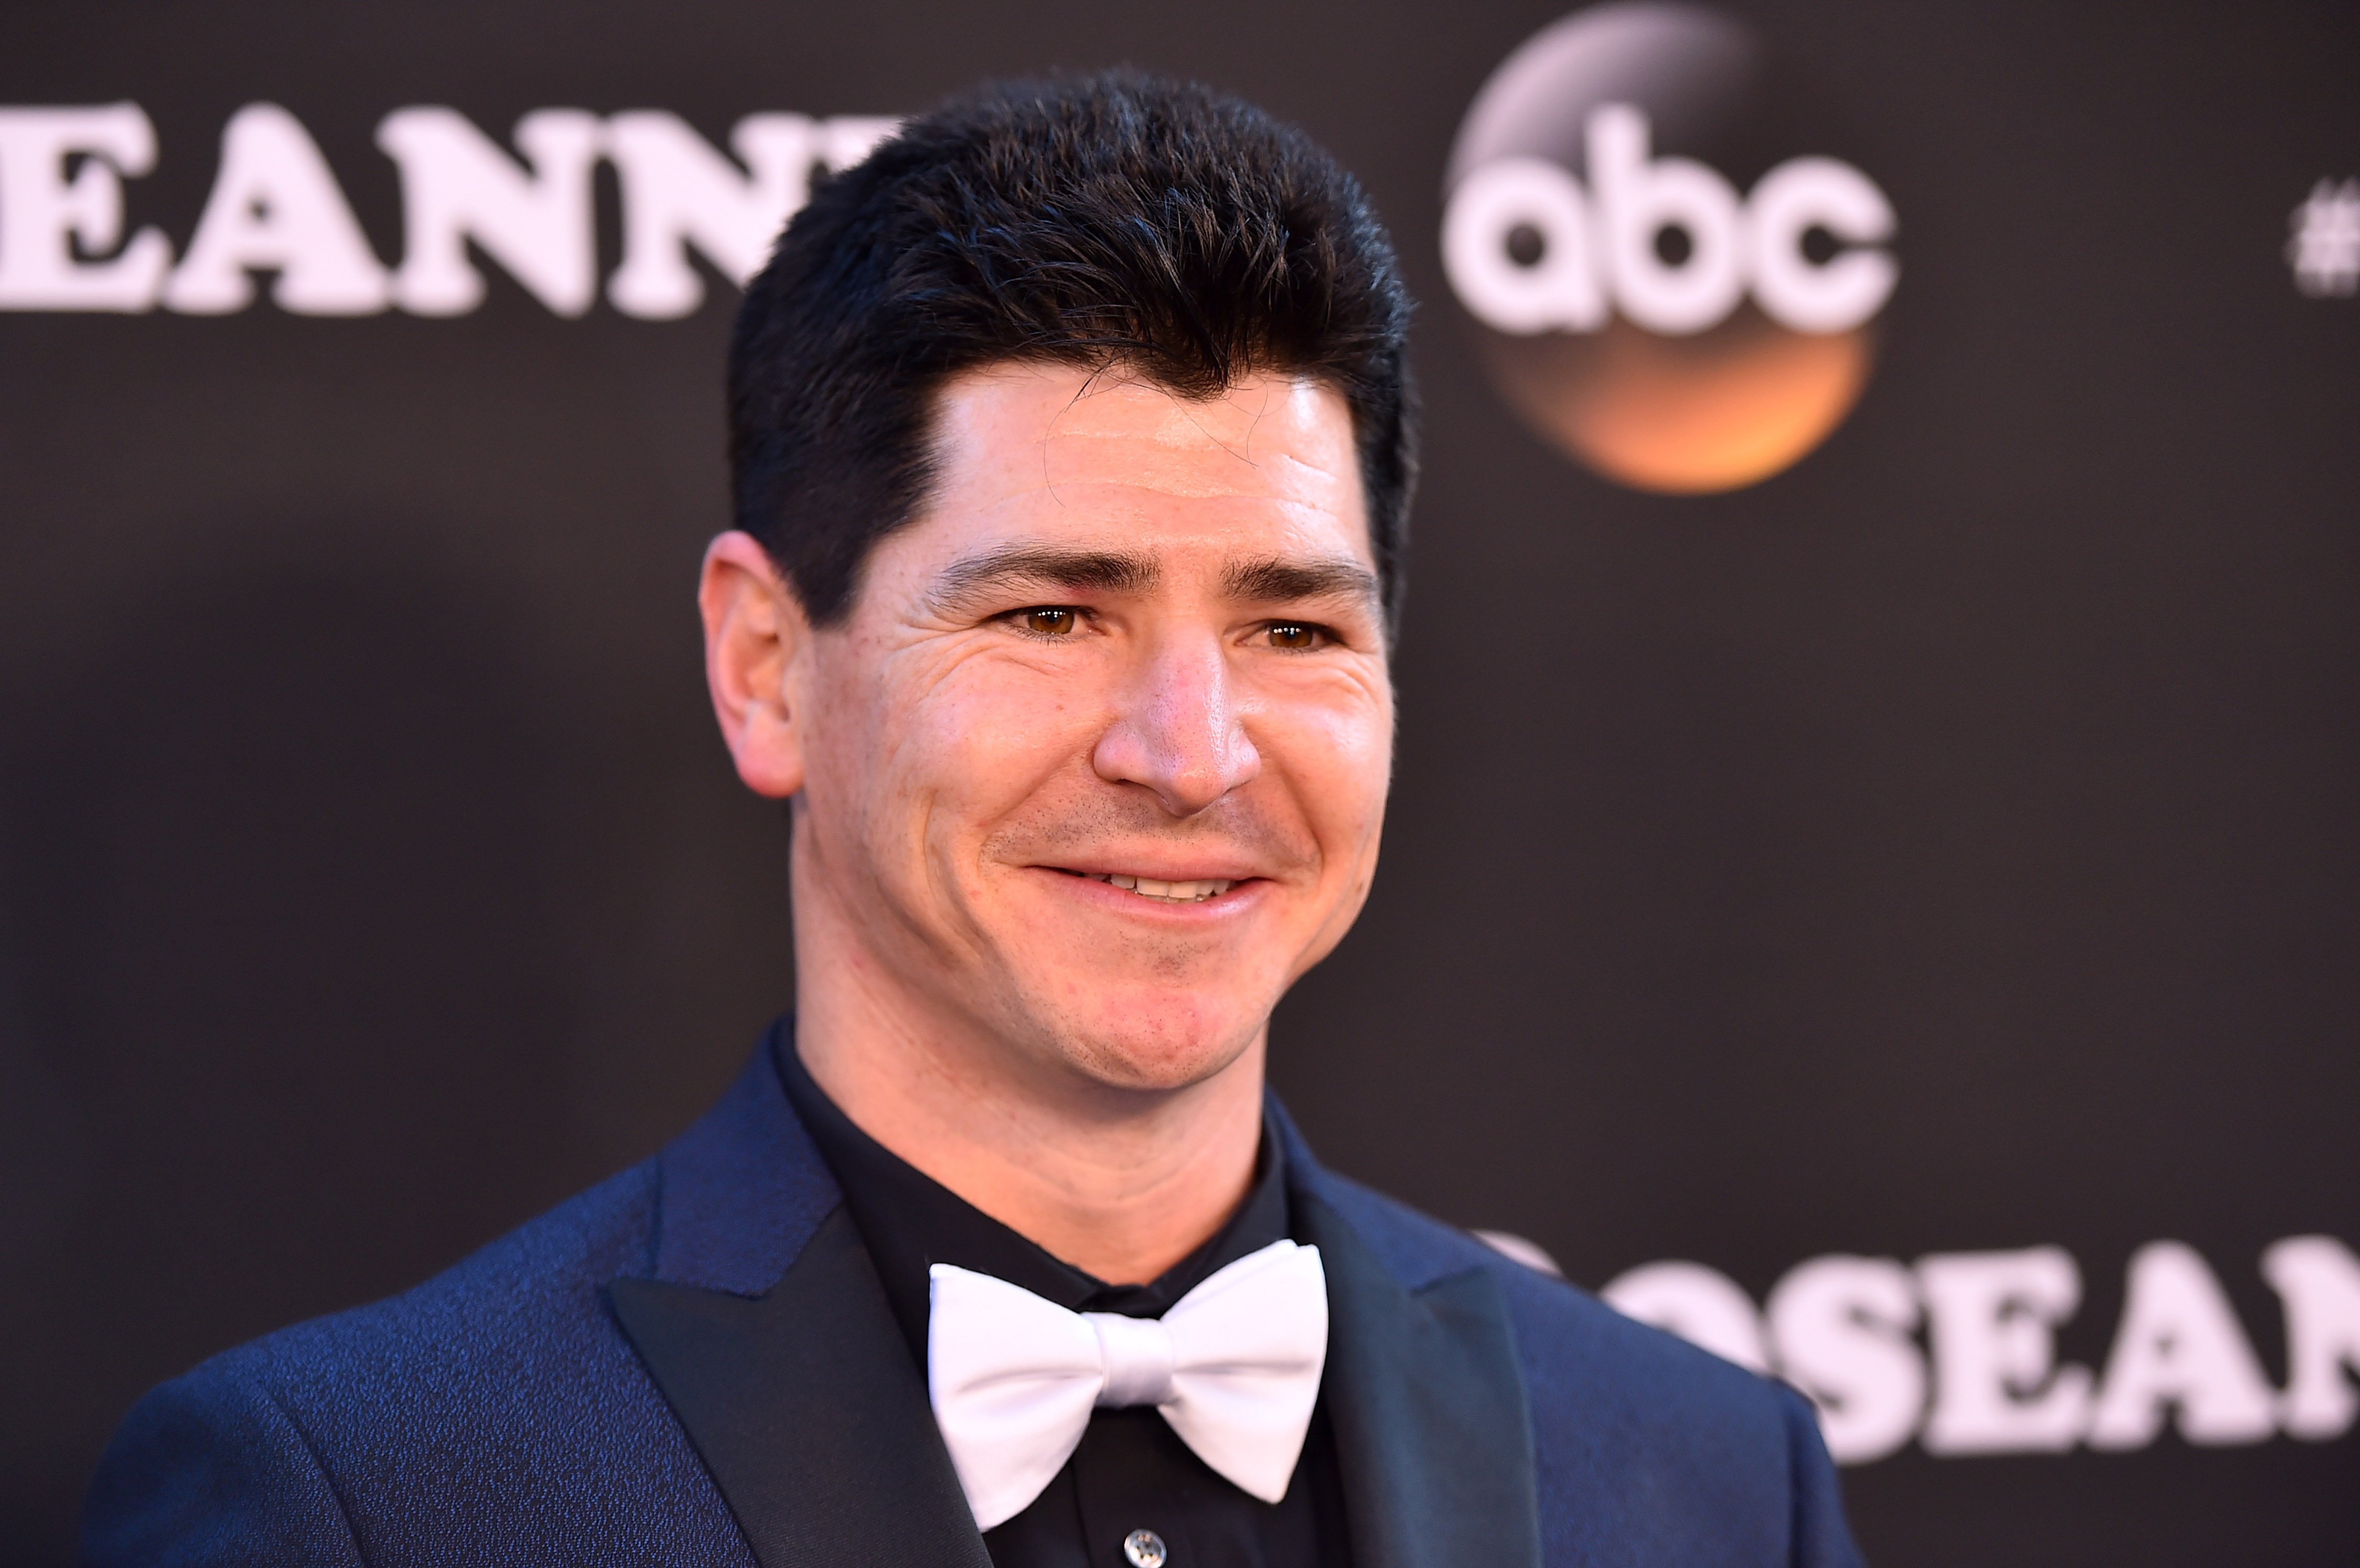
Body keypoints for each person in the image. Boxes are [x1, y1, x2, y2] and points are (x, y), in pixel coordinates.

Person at [82, 73, 1864, 1567]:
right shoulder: (363, 1501)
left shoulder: (1710, 1480)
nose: (1191, 751)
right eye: (1049, 614)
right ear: (767, 665)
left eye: (1292, 628)